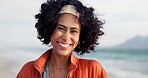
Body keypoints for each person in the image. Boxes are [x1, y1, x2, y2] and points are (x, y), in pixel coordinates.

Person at [17, 0, 108, 78]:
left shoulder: (93, 70)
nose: (66, 37)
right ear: (50, 30)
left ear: (80, 37)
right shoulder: (28, 71)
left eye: (73, 31)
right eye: (61, 28)